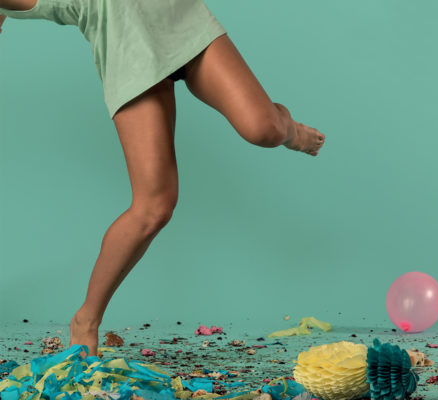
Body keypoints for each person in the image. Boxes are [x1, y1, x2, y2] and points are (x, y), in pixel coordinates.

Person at [0, 0, 325, 359]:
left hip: (172, 11)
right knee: (154, 207)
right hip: (126, 48)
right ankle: (86, 320)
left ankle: (289, 129)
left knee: (264, 130)